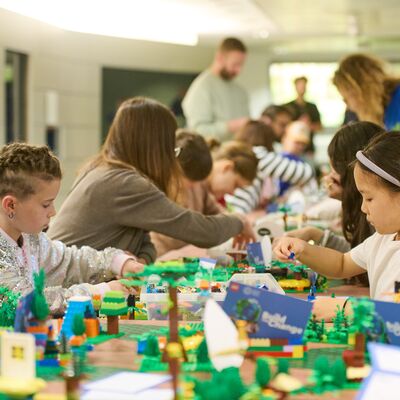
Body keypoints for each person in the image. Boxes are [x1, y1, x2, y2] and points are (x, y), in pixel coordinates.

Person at [48, 97, 254, 263]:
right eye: (169, 144)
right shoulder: (125, 183)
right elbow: (201, 231)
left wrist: (141, 261)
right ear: (153, 144)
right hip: (68, 288)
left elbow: (144, 241)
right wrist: (239, 221)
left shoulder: (105, 168)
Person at [0, 143, 143, 314]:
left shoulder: (30, 238)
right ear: (10, 205)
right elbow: (29, 301)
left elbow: (69, 262)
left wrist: (118, 263)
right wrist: (99, 292)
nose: (53, 212)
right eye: (46, 204)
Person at [273, 131, 400, 301]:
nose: (363, 207)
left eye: (369, 198)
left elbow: (393, 313)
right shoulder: (382, 239)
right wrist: (303, 249)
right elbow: (341, 264)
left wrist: (347, 309)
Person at [151, 131, 258, 257]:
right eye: (235, 185)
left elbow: (218, 215)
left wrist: (238, 221)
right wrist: (239, 221)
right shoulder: (164, 187)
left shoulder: (199, 186)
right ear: (227, 167)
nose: (232, 192)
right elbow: (196, 229)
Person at [287, 121, 384, 252]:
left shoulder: (379, 216)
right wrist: (315, 234)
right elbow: (359, 254)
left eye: (334, 170)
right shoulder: (363, 211)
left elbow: (361, 262)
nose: (328, 178)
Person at [226, 121, 315, 213]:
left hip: (235, 210)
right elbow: (306, 173)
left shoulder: (243, 154)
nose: (300, 147)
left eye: (303, 144)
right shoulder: (257, 154)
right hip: (237, 211)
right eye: (296, 142)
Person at [182, 37, 249, 141]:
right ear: (220, 58)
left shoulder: (239, 90)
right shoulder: (201, 87)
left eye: (241, 65)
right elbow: (197, 132)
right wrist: (230, 127)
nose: (239, 70)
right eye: (235, 64)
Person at [333, 53, 400, 129]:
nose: (349, 107)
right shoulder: (384, 113)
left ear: (361, 90)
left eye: (346, 99)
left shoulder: (396, 100)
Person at [285, 77, 322, 152]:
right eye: (300, 85)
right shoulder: (288, 107)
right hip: (292, 149)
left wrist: (308, 125)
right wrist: (299, 124)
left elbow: (319, 127)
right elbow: (285, 127)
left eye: (303, 86)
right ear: (295, 87)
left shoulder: (312, 107)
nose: (302, 88)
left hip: (308, 149)